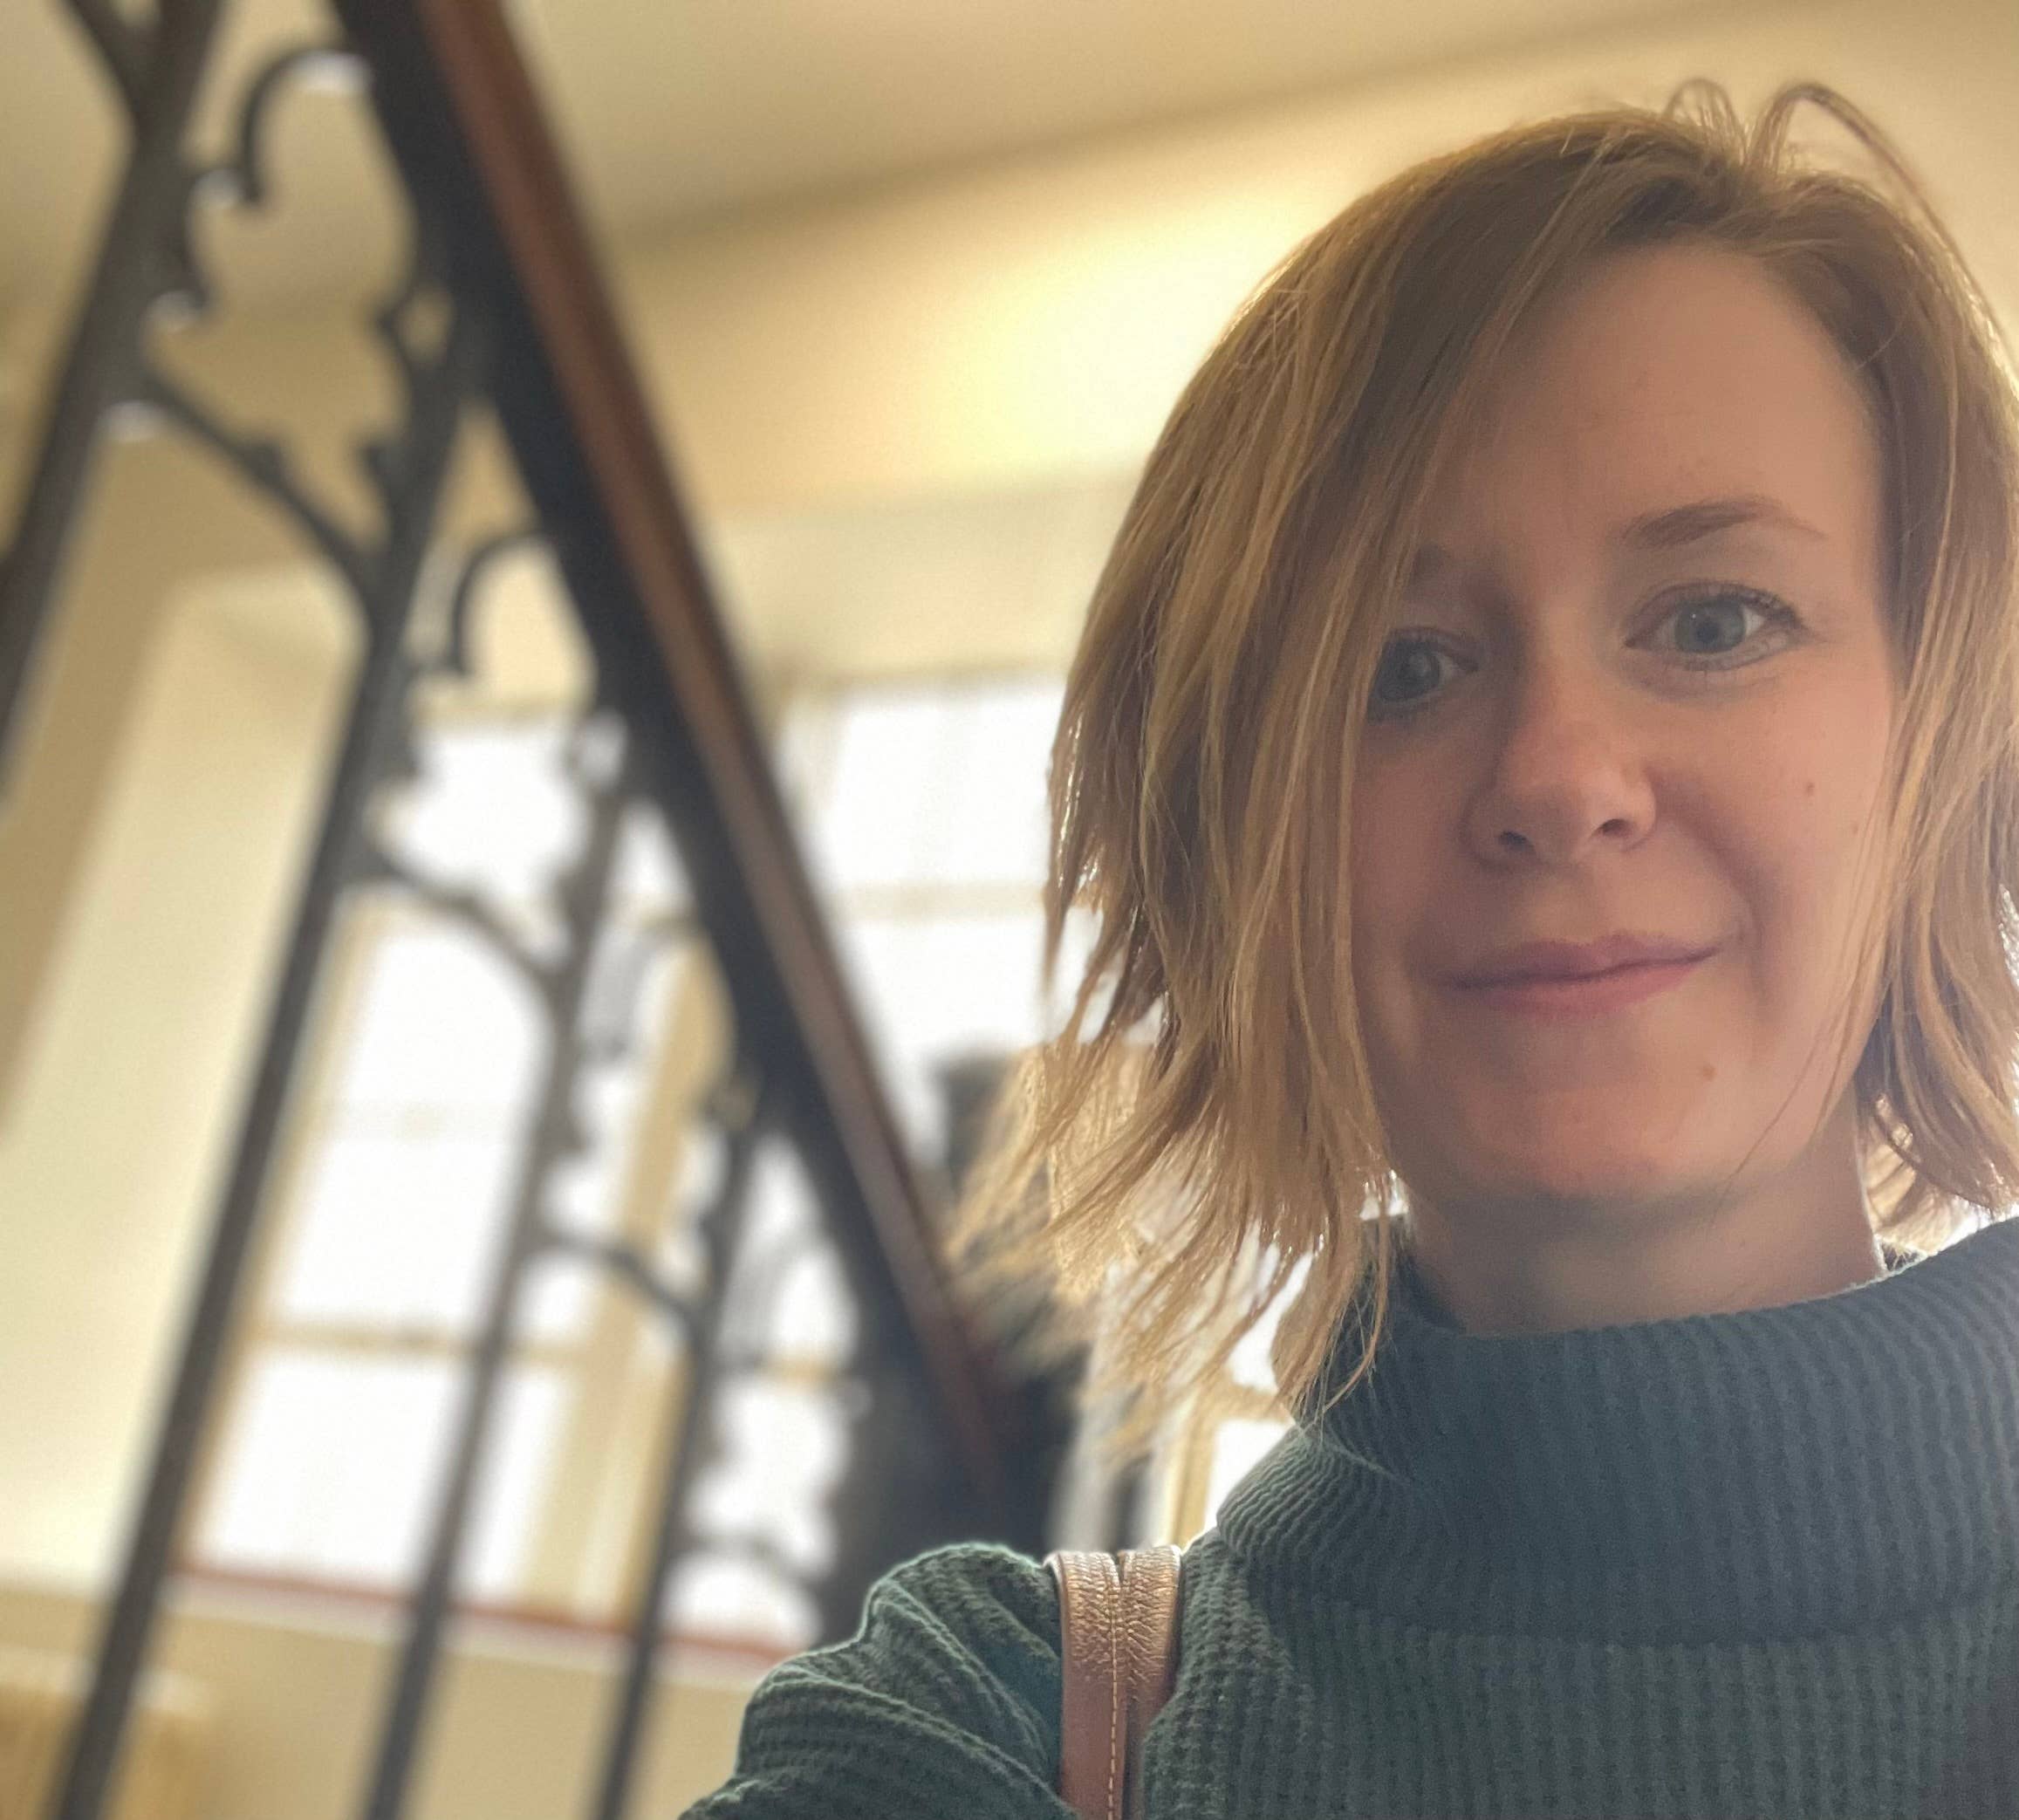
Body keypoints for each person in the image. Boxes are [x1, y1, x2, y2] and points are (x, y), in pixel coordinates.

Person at [681, 79, 2019, 1817]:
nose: (1554, 778)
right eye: (1400, 667)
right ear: (1234, 838)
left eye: (1711, 620)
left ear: (1946, 742)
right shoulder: (993, 1721)